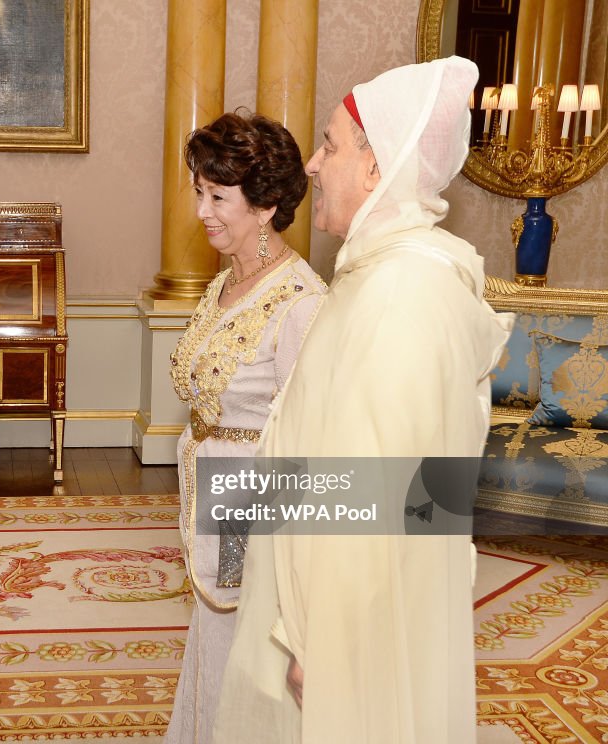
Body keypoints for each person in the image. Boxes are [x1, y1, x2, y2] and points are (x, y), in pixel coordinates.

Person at [213, 57, 513, 743]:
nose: (312, 165)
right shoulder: (378, 275)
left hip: (340, 629)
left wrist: (319, 638)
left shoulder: (402, 294)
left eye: (329, 144)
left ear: (377, 169)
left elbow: (392, 502)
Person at [165, 111, 325, 744]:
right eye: (200, 191)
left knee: (251, 650)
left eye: (219, 196)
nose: (203, 210)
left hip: (255, 510)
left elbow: (307, 450)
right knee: (216, 638)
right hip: (212, 496)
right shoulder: (230, 280)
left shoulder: (300, 303)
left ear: (267, 207)